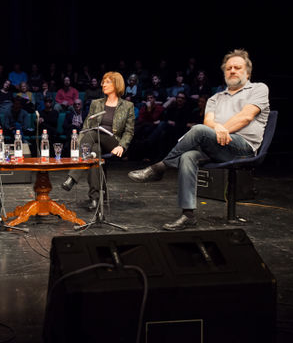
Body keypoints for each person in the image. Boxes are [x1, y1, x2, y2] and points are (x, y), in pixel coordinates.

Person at [128, 49, 270, 231]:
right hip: (217, 145)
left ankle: (159, 168)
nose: (232, 71)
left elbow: (246, 116)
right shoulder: (215, 98)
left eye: (237, 67)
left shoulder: (258, 88)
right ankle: (188, 215)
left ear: (247, 72)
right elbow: (208, 122)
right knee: (188, 156)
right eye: (229, 68)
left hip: (243, 148)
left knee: (198, 130)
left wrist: (221, 128)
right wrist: (217, 128)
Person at [61, 71, 135, 210]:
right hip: (95, 140)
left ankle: (73, 177)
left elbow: (129, 131)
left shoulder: (127, 106)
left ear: (116, 84)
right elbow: (87, 126)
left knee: (94, 132)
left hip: (114, 142)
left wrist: (122, 146)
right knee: (94, 153)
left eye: (107, 82)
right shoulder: (96, 103)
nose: (103, 84)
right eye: (103, 81)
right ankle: (95, 199)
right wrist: (82, 143)